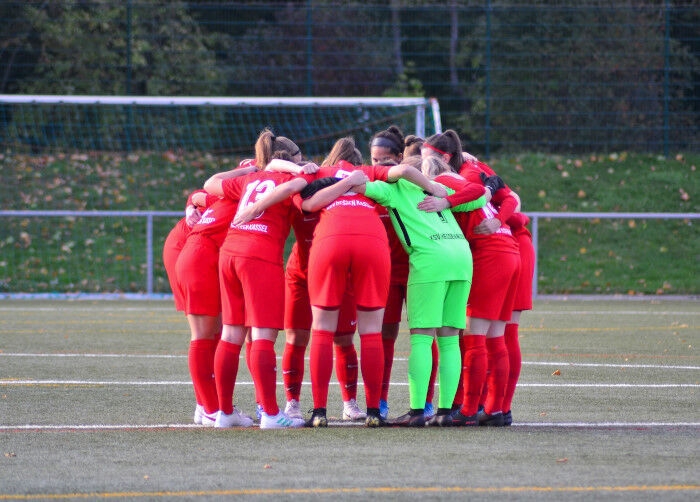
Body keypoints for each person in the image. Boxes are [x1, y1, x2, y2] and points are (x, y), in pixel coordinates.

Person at [234, 136, 446, 427]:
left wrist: (253, 207)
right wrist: (434, 186)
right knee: (371, 333)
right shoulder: (366, 173)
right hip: (370, 244)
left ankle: (319, 412)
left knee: (320, 332)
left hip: (327, 247)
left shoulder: (313, 174)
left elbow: (301, 198)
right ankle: (374, 411)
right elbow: (404, 171)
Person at [347, 154, 488, 426]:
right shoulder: (438, 188)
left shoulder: (392, 189)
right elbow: (481, 197)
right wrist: (447, 196)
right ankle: (446, 412)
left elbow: (356, 185)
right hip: (461, 258)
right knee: (449, 339)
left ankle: (415, 413)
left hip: (429, 260)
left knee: (422, 339)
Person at [202, 129, 313, 429]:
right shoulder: (291, 178)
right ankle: (271, 415)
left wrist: (256, 171)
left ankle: (224, 413)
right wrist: (263, 202)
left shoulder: (251, 178)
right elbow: (302, 181)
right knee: (263, 336)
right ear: (291, 160)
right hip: (259, 257)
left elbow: (210, 183)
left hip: (230, 253)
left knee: (231, 334)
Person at [419, 131, 522, 427]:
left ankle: (467, 410)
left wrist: (444, 204)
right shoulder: (465, 176)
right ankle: (495, 410)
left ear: (438, 161)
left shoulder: (448, 181)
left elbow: (488, 194)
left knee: (475, 336)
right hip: (507, 250)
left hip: (490, 255)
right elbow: (507, 196)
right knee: (495, 336)